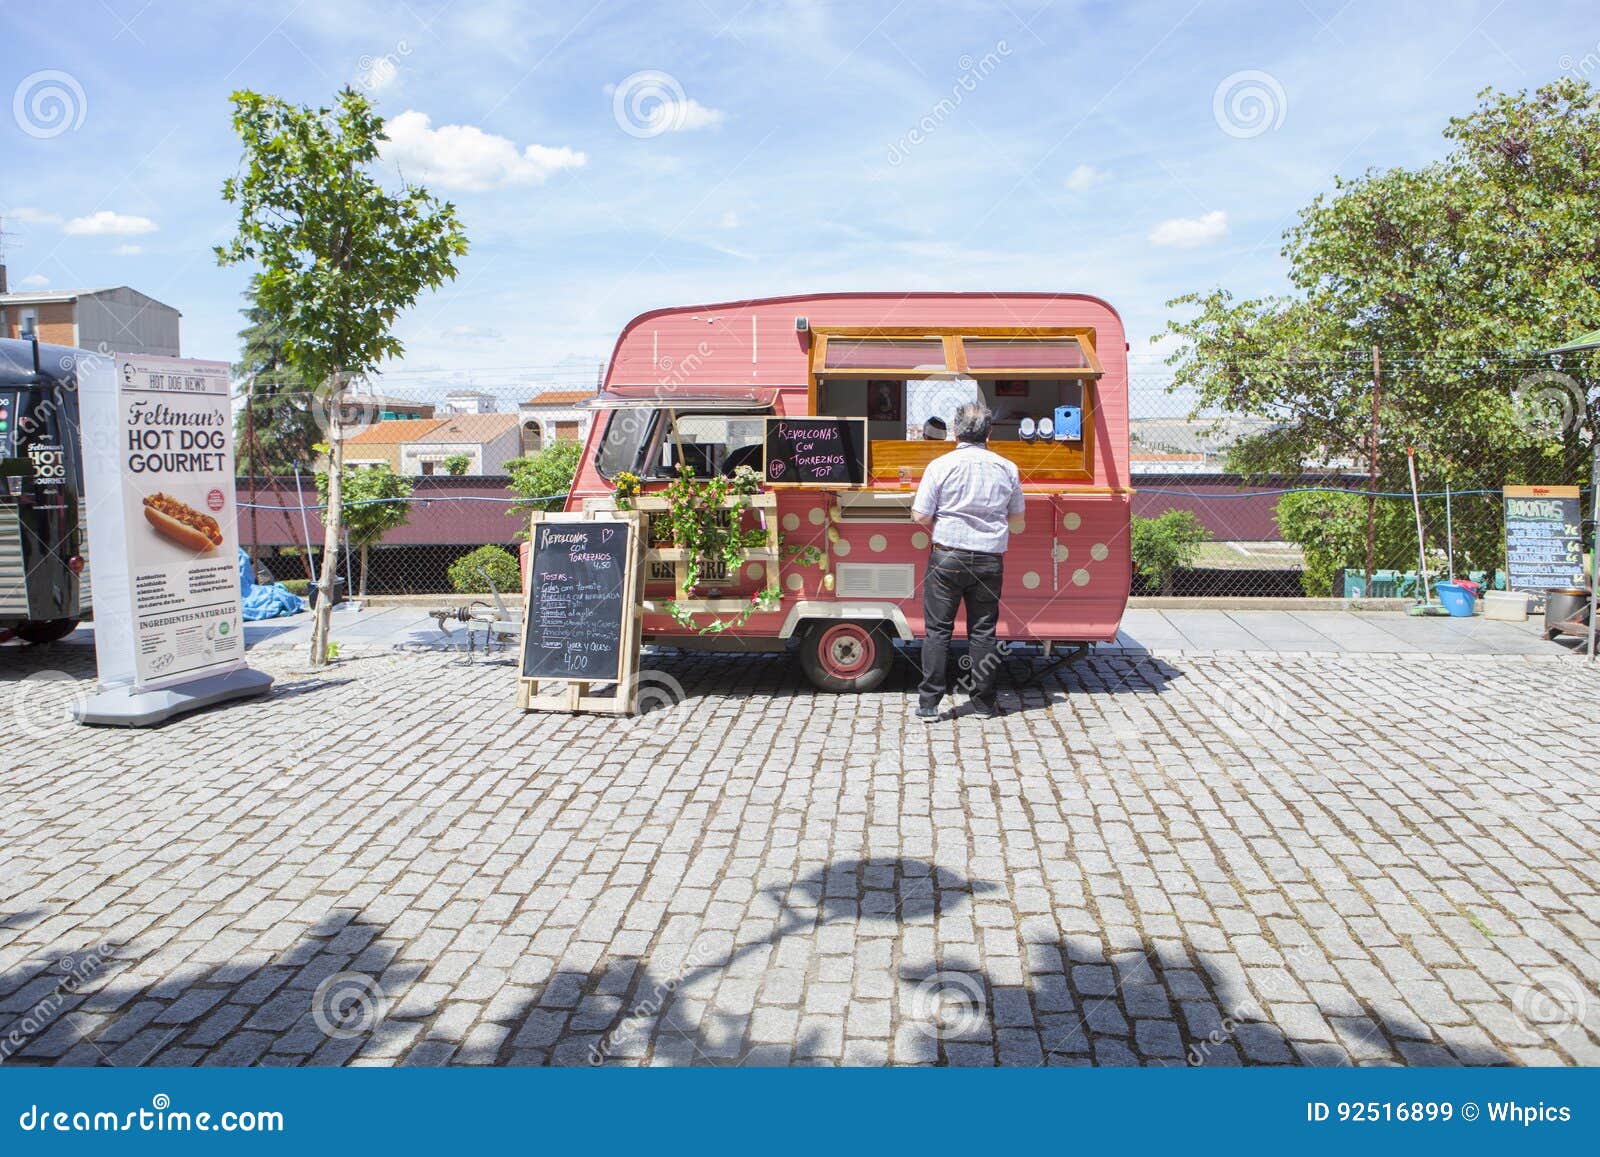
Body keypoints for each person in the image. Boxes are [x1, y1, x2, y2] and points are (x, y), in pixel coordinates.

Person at [911, 401, 1023, 720]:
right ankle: (984, 704)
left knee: (937, 631)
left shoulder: (940, 466)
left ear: (956, 431)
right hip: (990, 559)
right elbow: (1017, 520)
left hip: (947, 557)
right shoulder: (1008, 468)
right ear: (988, 432)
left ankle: (929, 704)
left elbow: (920, 514)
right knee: (984, 631)